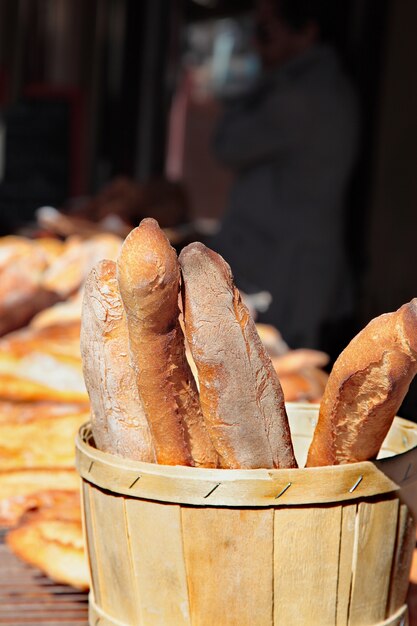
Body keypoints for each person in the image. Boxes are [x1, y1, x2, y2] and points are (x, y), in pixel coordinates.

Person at [210, 0, 359, 354]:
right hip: (284, 264)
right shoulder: (314, 85)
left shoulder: (302, 96)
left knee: (272, 383)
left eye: (266, 29)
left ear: (306, 31)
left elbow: (226, 144)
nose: (257, 40)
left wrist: (262, 72)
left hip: (284, 275)